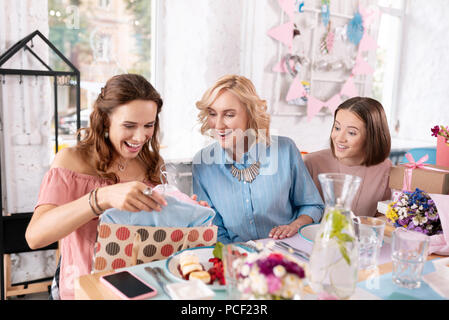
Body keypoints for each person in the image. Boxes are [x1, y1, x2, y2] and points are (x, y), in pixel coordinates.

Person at [25, 74, 168, 299]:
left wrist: (184, 211)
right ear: (104, 121)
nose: (140, 137)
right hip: (83, 290)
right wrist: (101, 198)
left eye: (148, 125)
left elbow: (159, 229)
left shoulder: (153, 164)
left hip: (141, 288)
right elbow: (35, 237)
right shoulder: (71, 160)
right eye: (129, 126)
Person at [192, 74, 324, 244]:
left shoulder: (285, 150)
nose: (218, 125)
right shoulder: (203, 164)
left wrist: (295, 225)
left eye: (229, 115)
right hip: (236, 258)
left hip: (286, 251)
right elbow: (213, 228)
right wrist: (234, 257)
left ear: (250, 114)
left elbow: (313, 205)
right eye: (212, 114)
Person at [304, 96, 392, 217]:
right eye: (337, 128)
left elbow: (382, 216)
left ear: (372, 136)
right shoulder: (310, 163)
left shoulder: (385, 167)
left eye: (351, 133)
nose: (339, 138)